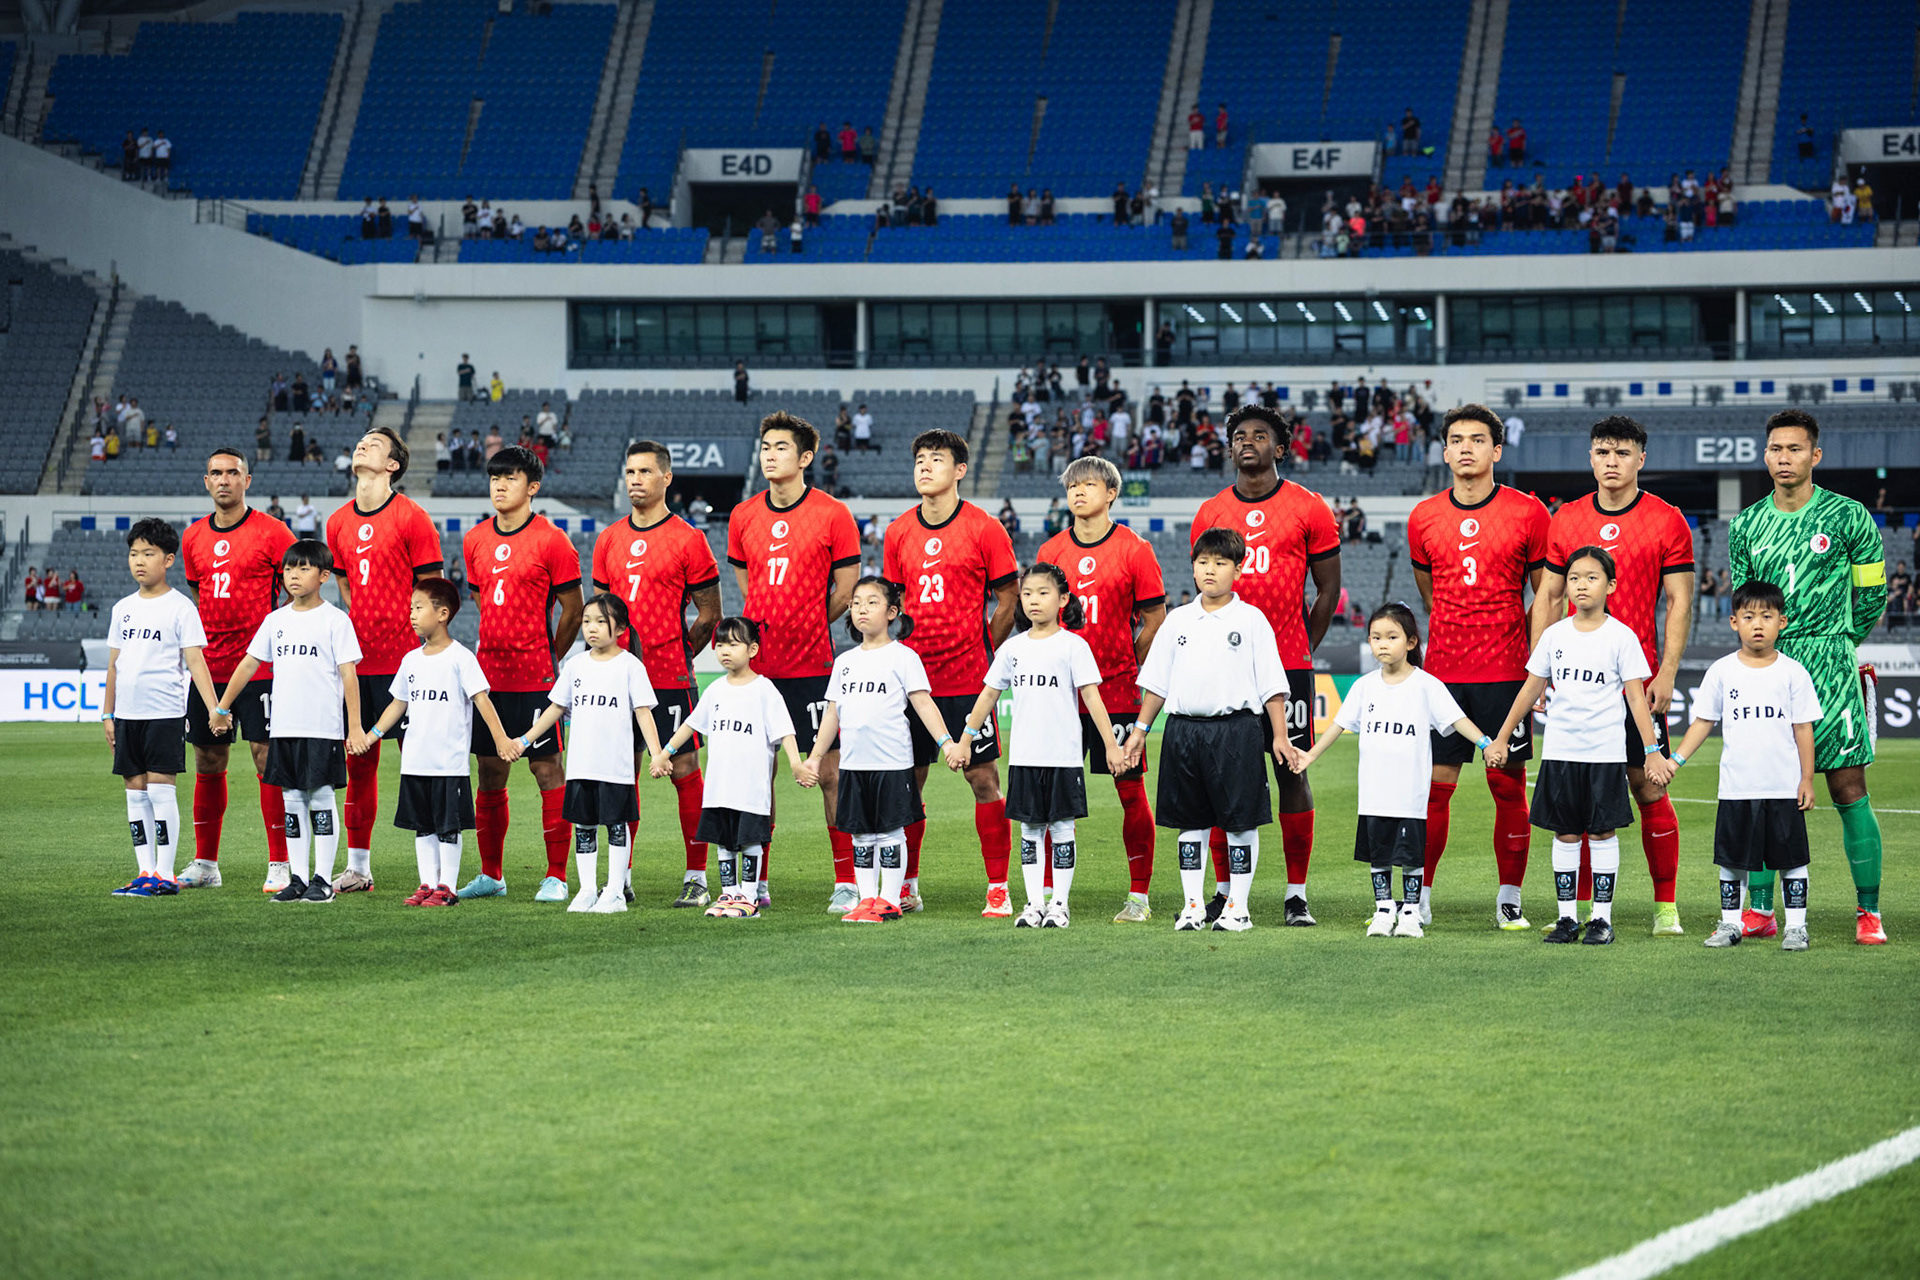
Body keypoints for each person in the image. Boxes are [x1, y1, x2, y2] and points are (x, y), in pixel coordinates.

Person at [1727, 410, 1889, 945]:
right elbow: (1748, 604)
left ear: (1814, 456)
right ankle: (1761, 910)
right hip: (1770, 666)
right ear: (1765, 455)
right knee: (1765, 792)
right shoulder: (1746, 524)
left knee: (1849, 788)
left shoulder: (1849, 517)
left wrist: (1840, 641)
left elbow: (1872, 596)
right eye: (1775, 449)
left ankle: (1869, 912)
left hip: (1831, 661)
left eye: (1795, 449)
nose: (1783, 458)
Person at [1528, 416, 1693, 933]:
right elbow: (1549, 597)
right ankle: (1578, 915)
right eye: (1602, 451)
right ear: (1590, 457)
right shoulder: (1568, 518)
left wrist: (1666, 672)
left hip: (1636, 682)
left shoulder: (1668, 520)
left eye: (1622, 453)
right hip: (1577, 686)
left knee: (1648, 787)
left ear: (1641, 459)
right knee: (1576, 802)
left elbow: (1679, 601)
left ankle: (1665, 905)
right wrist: (1542, 667)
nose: (1611, 461)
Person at [1189, 406, 1341, 926]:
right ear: (1229, 448)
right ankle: (1225, 890)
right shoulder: (1210, 511)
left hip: (1289, 669)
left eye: (1260, 436)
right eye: (1238, 436)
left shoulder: (1309, 507)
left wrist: (1299, 647)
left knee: (1291, 772)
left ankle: (1296, 893)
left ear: (1280, 448)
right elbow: (1204, 589)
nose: (1247, 442)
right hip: (1221, 672)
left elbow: (1328, 590)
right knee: (1218, 781)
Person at [1406, 404, 1549, 929]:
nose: (1466, 447)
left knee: (1507, 786)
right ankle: (1419, 895)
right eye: (1457, 440)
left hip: (1507, 674)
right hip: (1442, 674)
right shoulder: (1423, 516)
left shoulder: (1529, 512)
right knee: (1435, 785)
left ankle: (1509, 896)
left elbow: (1545, 594)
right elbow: (1431, 593)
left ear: (1497, 450)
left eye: (1478, 439)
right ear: (1444, 452)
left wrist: (1533, 655)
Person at [1287, 603, 1496, 938]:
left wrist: (1486, 744)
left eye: (1391, 637)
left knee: (1412, 856)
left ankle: (1411, 912)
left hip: (1410, 793)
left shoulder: (1426, 685)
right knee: (1380, 856)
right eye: (1375, 637)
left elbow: (1457, 721)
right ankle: (1384, 910)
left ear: (1411, 642)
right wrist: (1310, 756)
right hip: (1374, 793)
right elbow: (1337, 726)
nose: (1382, 644)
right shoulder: (1364, 687)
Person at [1488, 546, 1659, 946]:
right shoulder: (1554, 635)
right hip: (1560, 753)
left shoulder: (1622, 637)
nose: (1582, 585)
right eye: (1575, 578)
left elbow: (1636, 698)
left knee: (1601, 834)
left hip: (1603, 754)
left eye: (1592, 577)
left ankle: (1601, 919)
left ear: (1611, 585)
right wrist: (1502, 736)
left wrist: (1652, 750)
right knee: (1565, 834)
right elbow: (1531, 688)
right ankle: (1566, 918)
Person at [881, 430, 1021, 916]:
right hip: (914, 683)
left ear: (959, 470)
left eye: (936, 460)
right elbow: (891, 607)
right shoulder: (898, 532)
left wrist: (986, 647)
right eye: (919, 459)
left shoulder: (985, 529)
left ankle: (998, 887)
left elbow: (1010, 598)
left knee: (983, 780)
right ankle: (906, 885)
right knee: (908, 782)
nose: (924, 467)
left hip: (967, 680)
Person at [727, 412, 863, 909]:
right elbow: (747, 586)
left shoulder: (833, 514)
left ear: (805, 457)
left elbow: (847, 590)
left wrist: (807, 619)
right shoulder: (743, 515)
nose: (769, 454)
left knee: (829, 772)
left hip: (812, 668)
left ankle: (846, 881)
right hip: (757, 672)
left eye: (781, 447)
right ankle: (757, 881)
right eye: (765, 446)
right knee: (756, 775)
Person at [1123, 528, 1289, 932]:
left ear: (1239, 568)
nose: (1210, 570)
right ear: (1193, 567)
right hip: (1183, 732)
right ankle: (1193, 905)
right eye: (1202, 562)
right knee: (1190, 824)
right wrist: (1140, 730)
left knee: (1239, 823)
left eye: (1220, 563)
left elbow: (1272, 686)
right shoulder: (1178, 620)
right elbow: (1157, 684)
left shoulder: (1251, 621)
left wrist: (1280, 735)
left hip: (1237, 732)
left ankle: (1238, 907)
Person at [949, 562, 1126, 928]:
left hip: (1063, 757)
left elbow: (1092, 699)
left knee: (1061, 830)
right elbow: (986, 698)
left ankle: (1059, 904)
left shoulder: (1073, 646)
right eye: (1027, 593)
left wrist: (1110, 745)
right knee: (1030, 831)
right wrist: (965, 740)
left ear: (1063, 599)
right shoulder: (1013, 649)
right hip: (1025, 757)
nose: (1033, 600)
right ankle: (1033, 904)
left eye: (1043, 593)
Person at [589, 441, 723, 907]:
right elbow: (601, 614)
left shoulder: (689, 539)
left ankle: (697, 876)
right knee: (621, 775)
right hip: (615, 681)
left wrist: (676, 651)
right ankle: (619, 876)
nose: (635, 480)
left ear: (666, 478)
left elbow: (709, 615)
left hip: (669, 678)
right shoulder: (608, 539)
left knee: (684, 770)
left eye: (645, 471)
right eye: (629, 471)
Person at [1037, 458, 1167, 921]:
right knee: (1048, 795)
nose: (1078, 492)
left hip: (1116, 691)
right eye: (1073, 485)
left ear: (1111, 493)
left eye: (1089, 485)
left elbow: (1156, 621)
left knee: (1130, 790)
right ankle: (1048, 897)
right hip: (1058, 696)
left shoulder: (1135, 549)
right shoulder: (1052, 550)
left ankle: (1139, 896)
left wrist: (1128, 663)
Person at [454, 447, 586, 903]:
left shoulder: (553, 540)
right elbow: (481, 600)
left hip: (535, 677)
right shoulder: (474, 540)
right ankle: (491, 875)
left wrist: (549, 655)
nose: (500, 485)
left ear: (532, 487)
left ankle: (556, 876)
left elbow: (573, 609)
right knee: (488, 772)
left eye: (510, 478)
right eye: (494, 478)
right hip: (489, 677)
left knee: (546, 768)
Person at [1662, 581, 1819, 951]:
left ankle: (1796, 927)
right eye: (1749, 617)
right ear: (1734, 622)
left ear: (1783, 621)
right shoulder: (1721, 671)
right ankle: (1730, 924)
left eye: (1767, 616)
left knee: (1792, 860)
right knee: (1732, 860)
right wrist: (1676, 760)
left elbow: (1803, 728)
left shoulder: (1794, 673)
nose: (1758, 624)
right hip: (1737, 787)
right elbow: (1702, 722)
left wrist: (1807, 779)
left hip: (1782, 786)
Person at [213, 540, 366, 904]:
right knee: (292, 799)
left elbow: (349, 676)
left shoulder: (335, 620)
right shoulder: (275, 620)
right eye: (288, 569)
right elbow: (250, 664)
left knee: (321, 797)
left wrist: (355, 726)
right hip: (283, 727)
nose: (293, 575)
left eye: (303, 568)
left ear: (324, 575)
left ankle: (322, 880)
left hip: (322, 728)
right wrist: (222, 706)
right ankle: (297, 878)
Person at [326, 427, 444, 892]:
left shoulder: (413, 518)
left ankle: (433, 871)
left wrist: (423, 653)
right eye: (360, 441)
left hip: (407, 664)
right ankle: (358, 867)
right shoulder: (337, 522)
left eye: (375, 444)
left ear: (393, 464)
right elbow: (346, 590)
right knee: (359, 765)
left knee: (420, 764)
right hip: (359, 665)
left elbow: (433, 594)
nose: (362, 445)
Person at [795, 578, 951, 923]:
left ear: (892, 611)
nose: (862, 609)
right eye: (855, 603)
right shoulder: (845, 662)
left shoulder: (903, 657)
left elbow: (923, 704)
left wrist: (946, 742)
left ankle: (890, 899)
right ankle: (867, 900)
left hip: (892, 762)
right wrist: (816, 757)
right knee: (862, 833)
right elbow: (832, 714)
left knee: (891, 831)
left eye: (872, 602)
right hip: (854, 763)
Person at [177, 448, 299, 891]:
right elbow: (198, 594)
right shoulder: (192, 538)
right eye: (215, 473)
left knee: (267, 758)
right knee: (208, 759)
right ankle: (206, 864)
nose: (224, 480)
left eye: (233, 473)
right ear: (205, 481)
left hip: (263, 668)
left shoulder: (273, 532)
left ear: (248, 480)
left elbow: (296, 585)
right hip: (209, 670)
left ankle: (280, 863)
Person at [356, 579, 512, 907]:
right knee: (422, 826)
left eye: (418, 607)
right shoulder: (411, 660)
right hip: (415, 761)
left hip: (448, 763)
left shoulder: (461, 658)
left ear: (442, 613)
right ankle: (427, 883)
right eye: (411, 607)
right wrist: (371, 736)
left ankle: (447, 886)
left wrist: (501, 739)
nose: (411, 614)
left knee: (447, 826)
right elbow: (397, 705)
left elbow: (482, 701)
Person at [515, 594, 664, 914]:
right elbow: (555, 708)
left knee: (615, 826)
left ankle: (614, 892)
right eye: (586, 622)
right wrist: (525, 739)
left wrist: (657, 754)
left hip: (615, 768)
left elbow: (643, 713)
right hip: (582, 767)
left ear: (621, 628)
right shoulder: (575, 666)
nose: (591, 628)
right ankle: (585, 890)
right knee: (583, 827)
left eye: (600, 621)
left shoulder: (630, 666)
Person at [650, 617, 805, 917]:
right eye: (720, 644)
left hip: (750, 789)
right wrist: (664, 753)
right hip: (719, 789)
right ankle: (729, 894)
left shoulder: (765, 690)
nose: (724, 650)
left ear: (752, 649)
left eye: (733, 644)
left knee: (748, 842)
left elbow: (785, 731)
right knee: (723, 843)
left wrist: (796, 764)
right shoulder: (715, 690)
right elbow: (690, 725)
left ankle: (749, 898)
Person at [103, 518, 222, 896]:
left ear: (168, 559)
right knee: (134, 792)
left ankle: (165, 874)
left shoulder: (180, 607)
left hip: (165, 713)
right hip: (127, 715)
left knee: (159, 790)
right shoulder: (123, 608)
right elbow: (113, 665)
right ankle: (145, 871)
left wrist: (213, 708)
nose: (139, 561)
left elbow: (196, 662)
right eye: (134, 553)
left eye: (148, 553)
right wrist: (108, 714)